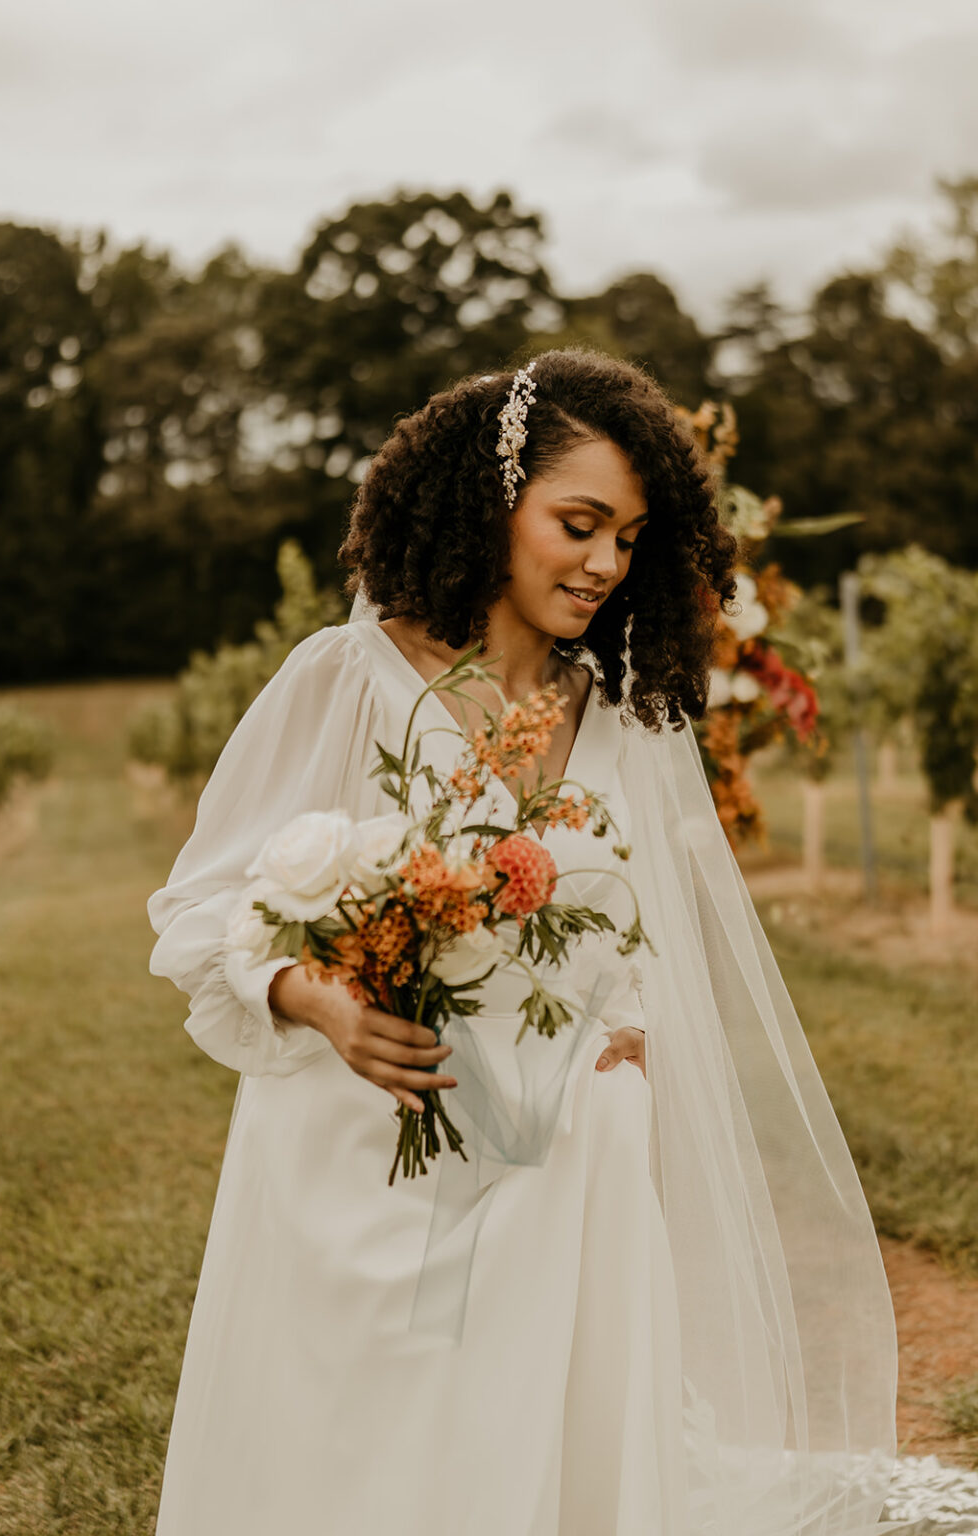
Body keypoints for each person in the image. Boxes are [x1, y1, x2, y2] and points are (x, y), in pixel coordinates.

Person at [147, 347, 898, 1535]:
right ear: (494, 504)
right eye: (579, 523)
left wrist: (629, 1042)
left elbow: (636, 939)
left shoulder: (621, 716)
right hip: (365, 1143)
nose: (606, 562)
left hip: (567, 1169)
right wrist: (316, 998)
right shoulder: (344, 680)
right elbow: (201, 908)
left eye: (629, 537)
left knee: (533, 1456)